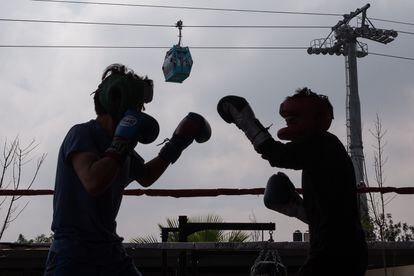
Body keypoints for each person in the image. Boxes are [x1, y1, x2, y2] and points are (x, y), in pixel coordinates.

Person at [44, 63, 211, 276]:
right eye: (138, 106)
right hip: (72, 253)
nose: (140, 111)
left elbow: (146, 176)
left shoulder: (125, 147)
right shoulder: (82, 134)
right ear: (121, 102)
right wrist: (122, 142)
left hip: (109, 251)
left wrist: (176, 144)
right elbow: (94, 182)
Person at [217, 88, 367, 276]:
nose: (288, 124)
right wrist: (296, 208)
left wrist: (246, 121)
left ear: (315, 119)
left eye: (294, 119)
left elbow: (278, 155)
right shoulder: (321, 153)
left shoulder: (322, 143)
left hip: (337, 253)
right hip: (339, 250)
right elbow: (331, 214)